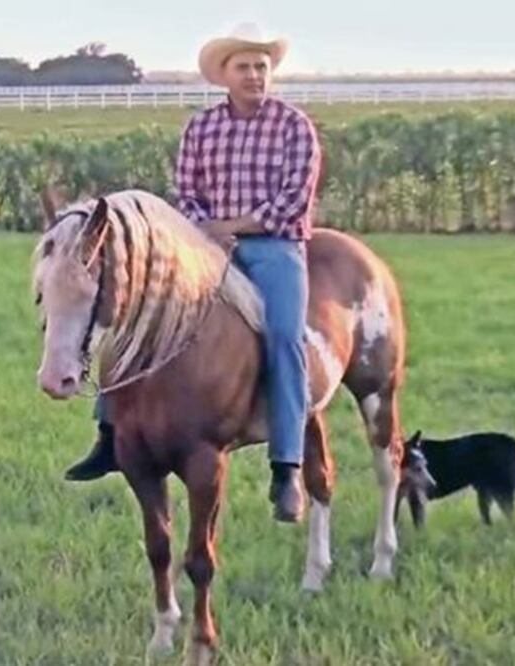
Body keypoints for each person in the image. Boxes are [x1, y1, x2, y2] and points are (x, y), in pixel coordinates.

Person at [64, 23, 322, 523]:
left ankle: (286, 464)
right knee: (139, 314)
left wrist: (232, 226)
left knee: (287, 336)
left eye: (261, 67)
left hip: (274, 247)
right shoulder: (200, 128)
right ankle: (109, 433)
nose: (254, 76)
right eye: (244, 67)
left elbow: (294, 199)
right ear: (224, 75)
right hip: (204, 246)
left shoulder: (294, 126)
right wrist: (204, 230)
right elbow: (186, 193)